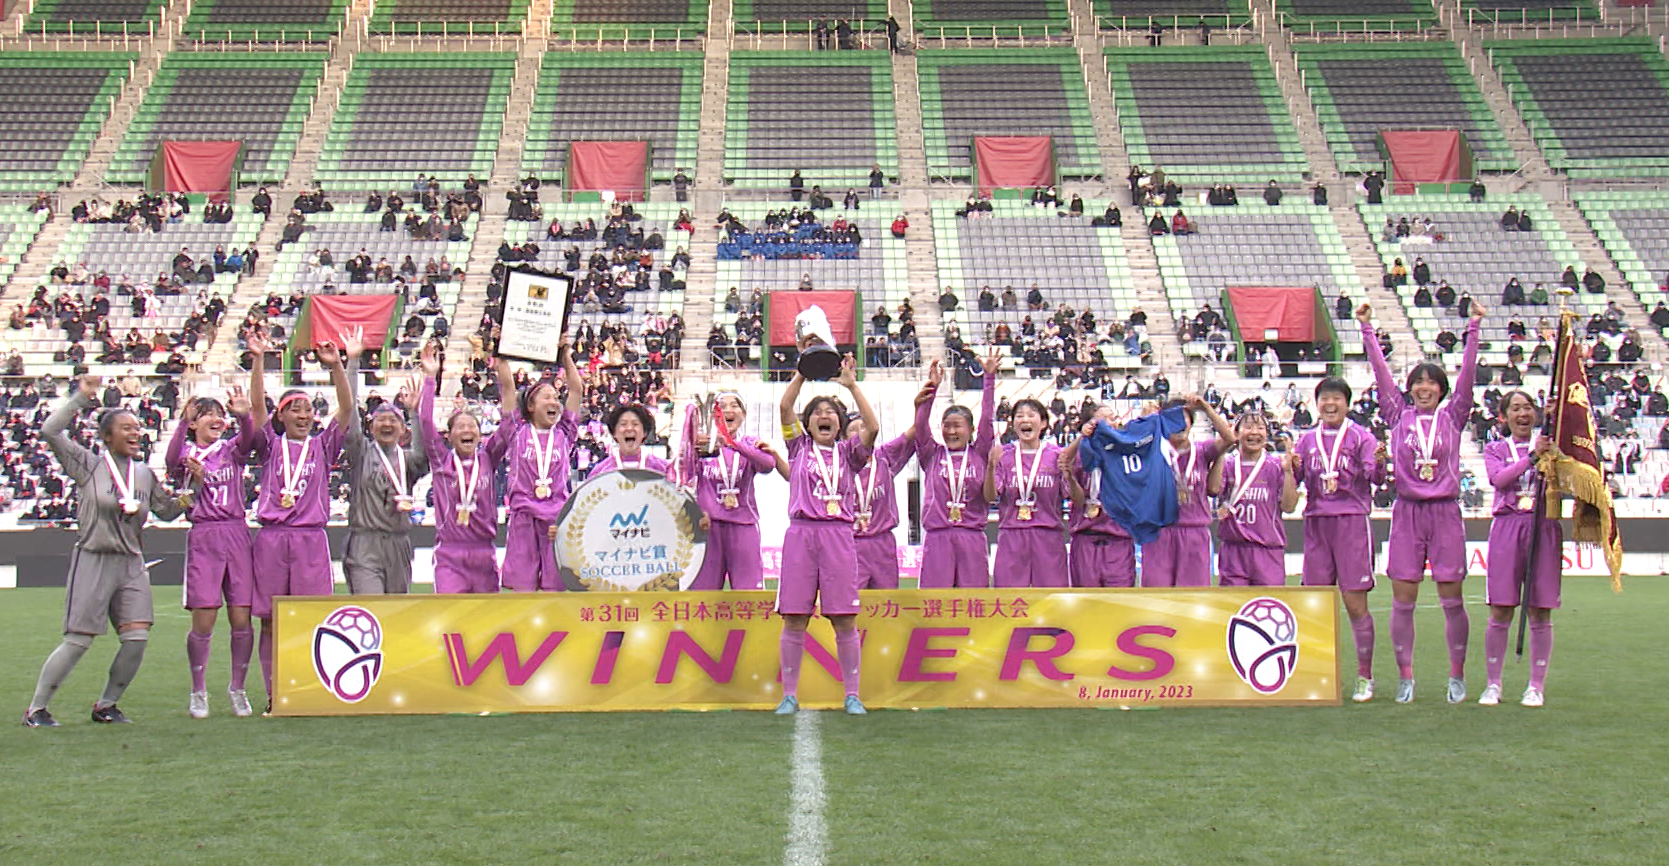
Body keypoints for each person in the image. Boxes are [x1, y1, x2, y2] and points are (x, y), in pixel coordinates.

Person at [22, 376, 194, 727]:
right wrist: (81, 397)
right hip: (94, 558)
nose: (135, 434)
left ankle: (107, 705)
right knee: (78, 640)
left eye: (137, 428)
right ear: (106, 436)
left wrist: (189, 495)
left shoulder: (144, 474)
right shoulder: (88, 465)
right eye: (126, 428)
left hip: (131, 563)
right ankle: (36, 709)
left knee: (136, 639)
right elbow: (50, 431)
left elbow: (166, 511)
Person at [1358, 299, 1483, 705]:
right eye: (1418, 382)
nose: (1424, 388)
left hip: (1445, 512)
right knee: (1403, 599)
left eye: (1432, 383)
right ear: (1410, 388)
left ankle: (1457, 675)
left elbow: (1468, 377)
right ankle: (1405, 677)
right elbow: (1381, 375)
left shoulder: (1454, 416)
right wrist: (1367, 329)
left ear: (1442, 390)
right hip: (1408, 512)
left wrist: (1474, 328)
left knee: (1452, 599)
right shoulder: (1398, 415)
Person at [246, 328, 356, 713]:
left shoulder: (323, 446)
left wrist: (337, 366)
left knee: (313, 618)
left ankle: (311, 690)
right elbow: (255, 408)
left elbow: (346, 410)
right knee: (270, 620)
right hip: (273, 539)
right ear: (282, 415)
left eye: (308, 409)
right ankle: (275, 693)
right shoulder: (270, 445)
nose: (304, 415)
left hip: (310, 540)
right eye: (295, 409)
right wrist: (258, 359)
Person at [773, 355, 879, 716]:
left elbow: (873, 428)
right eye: (817, 412)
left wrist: (851, 386)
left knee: (844, 618)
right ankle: (789, 695)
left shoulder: (850, 453)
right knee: (794, 617)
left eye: (831, 412)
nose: (824, 416)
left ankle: (852, 695)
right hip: (801, 535)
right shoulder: (798, 447)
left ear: (840, 423)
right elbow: (785, 406)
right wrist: (803, 371)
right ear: (807, 423)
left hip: (838, 536)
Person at [165, 389, 261, 719]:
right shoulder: (187, 454)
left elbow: (248, 440)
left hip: (236, 532)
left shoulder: (230, 450)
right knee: (204, 619)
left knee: (241, 617)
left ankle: (238, 688)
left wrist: (243, 415)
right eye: (208, 414)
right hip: (204, 535)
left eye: (220, 414)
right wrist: (181, 423)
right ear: (194, 424)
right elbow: (170, 460)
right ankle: (198, 690)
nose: (216, 419)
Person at [1291, 377, 1386, 702]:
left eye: (1336, 399)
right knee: (1315, 603)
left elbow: (1376, 476)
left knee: (1355, 603)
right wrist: (1289, 467)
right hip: (1317, 524)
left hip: (1351, 523)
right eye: (1324, 399)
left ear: (1347, 404)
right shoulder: (1306, 440)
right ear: (1316, 404)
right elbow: (1295, 479)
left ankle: (1364, 677)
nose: (1330, 404)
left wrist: (1380, 462)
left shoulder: (1361, 437)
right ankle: (1319, 676)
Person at [1480, 391, 1560, 708]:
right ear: (1504, 416)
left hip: (1542, 525)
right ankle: (1493, 684)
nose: (1522, 413)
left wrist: (1556, 421)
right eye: (1515, 408)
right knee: (1501, 608)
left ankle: (1535, 686)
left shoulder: (1551, 447)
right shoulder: (1495, 448)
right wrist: (1532, 458)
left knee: (1540, 609)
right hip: (1508, 526)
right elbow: (1499, 479)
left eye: (1527, 407)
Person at [416, 351, 512, 594]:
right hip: (450, 553)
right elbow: (425, 422)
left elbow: (508, 425)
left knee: (486, 614)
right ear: (449, 436)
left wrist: (503, 373)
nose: (467, 429)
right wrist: (430, 378)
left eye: (472, 426)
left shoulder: (488, 457)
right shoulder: (442, 460)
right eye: (460, 426)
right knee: (451, 614)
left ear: (480, 435)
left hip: (484, 551)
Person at [499, 345, 584, 592]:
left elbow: (576, 389)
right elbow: (507, 388)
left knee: (554, 589)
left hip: (556, 519)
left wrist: (565, 354)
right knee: (523, 588)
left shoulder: (565, 432)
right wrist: (501, 355)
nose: (554, 402)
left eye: (556, 398)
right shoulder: (516, 430)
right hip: (524, 516)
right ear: (530, 406)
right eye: (547, 397)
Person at [342, 368, 431, 598]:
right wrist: (352, 364)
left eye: (393, 420)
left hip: (398, 543)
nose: (387, 424)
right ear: (371, 427)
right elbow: (349, 413)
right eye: (380, 420)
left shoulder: (408, 460)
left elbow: (425, 453)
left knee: (397, 612)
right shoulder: (361, 453)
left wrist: (415, 413)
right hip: (365, 541)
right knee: (372, 605)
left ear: (402, 429)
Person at [913, 354, 999, 588]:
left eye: (957, 426)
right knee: (935, 601)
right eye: (946, 426)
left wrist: (989, 378)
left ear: (970, 429)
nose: (951, 432)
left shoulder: (980, 453)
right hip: (938, 536)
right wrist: (932, 389)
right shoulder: (932, 454)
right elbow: (920, 427)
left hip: (971, 536)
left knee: (972, 602)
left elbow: (987, 419)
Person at [1143, 395, 1234, 587]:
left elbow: (1229, 438)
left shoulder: (1202, 450)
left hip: (1194, 532)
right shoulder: (1152, 451)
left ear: (1191, 423)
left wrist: (1206, 408)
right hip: (1159, 533)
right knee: (1157, 595)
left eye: (1184, 418)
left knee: (1193, 597)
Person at [691, 393, 779, 590]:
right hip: (708, 526)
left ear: (744, 414)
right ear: (713, 415)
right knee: (703, 593)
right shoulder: (704, 446)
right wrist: (691, 448)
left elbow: (768, 465)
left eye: (734, 405)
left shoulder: (750, 442)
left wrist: (731, 443)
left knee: (748, 592)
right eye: (722, 406)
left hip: (743, 525)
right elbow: (683, 472)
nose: (728, 410)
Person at [984, 398, 1067, 587]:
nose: (1025, 419)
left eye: (1031, 415)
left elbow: (1071, 495)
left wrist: (1068, 472)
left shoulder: (1057, 455)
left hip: (1048, 535)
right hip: (1011, 534)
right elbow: (990, 497)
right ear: (1013, 423)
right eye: (1019, 416)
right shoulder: (1003, 455)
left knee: (1051, 599)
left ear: (1043, 423)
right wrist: (990, 467)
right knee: (1009, 598)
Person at [1061, 404, 1136, 587]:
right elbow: (1062, 461)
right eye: (1105, 418)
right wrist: (1082, 436)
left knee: (1119, 600)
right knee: (1086, 601)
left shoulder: (1128, 454)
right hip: (1086, 539)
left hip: (1119, 540)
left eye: (1113, 417)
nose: (1112, 422)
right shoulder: (1080, 455)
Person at [847, 409, 916, 590]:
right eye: (853, 429)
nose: (860, 432)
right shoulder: (840, 463)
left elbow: (915, 431)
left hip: (882, 543)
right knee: (851, 600)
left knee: (886, 600)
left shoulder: (884, 457)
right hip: (850, 543)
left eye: (864, 427)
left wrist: (925, 401)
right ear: (844, 438)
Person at [589, 404, 667, 475]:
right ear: (614, 432)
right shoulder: (600, 473)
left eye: (635, 424)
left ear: (645, 432)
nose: (629, 428)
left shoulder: (664, 470)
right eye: (623, 424)